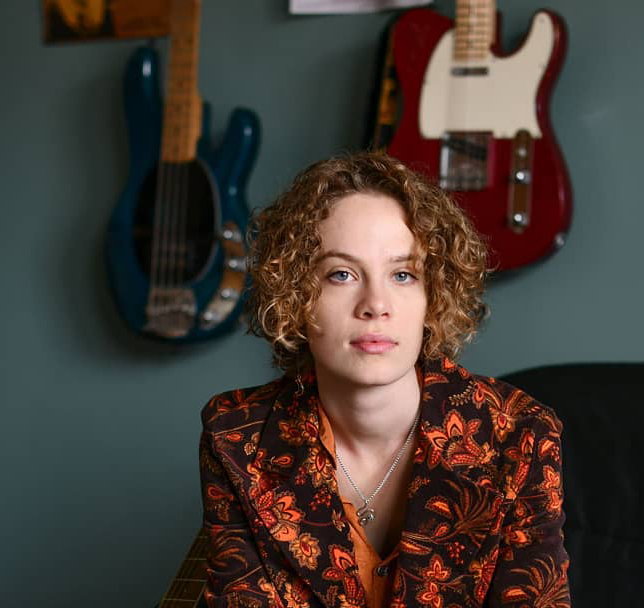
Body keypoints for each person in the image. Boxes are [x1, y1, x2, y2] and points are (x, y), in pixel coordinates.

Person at [199, 152, 570, 607]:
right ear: (294, 294)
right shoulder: (238, 436)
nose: (376, 304)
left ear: (434, 295)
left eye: (402, 274)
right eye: (341, 274)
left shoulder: (520, 437)